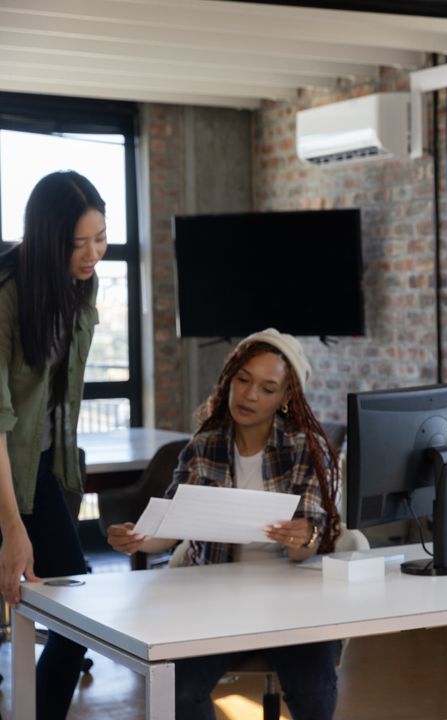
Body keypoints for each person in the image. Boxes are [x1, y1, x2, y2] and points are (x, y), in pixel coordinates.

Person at [108, 328, 342, 720]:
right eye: (243, 380)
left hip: (294, 599)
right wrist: (137, 538)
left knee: (314, 694)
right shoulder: (205, 445)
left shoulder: (307, 449)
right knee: (180, 692)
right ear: (229, 379)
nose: (250, 396)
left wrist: (304, 536)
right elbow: (169, 527)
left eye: (267, 389)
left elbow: (311, 541)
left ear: (286, 398)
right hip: (215, 597)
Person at [0, 170, 107, 719]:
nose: (92, 254)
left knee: (75, 617)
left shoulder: (80, 287)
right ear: (47, 238)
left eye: (100, 238)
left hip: (34, 469)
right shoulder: (6, 298)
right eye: (77, 243)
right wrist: (13, 530)